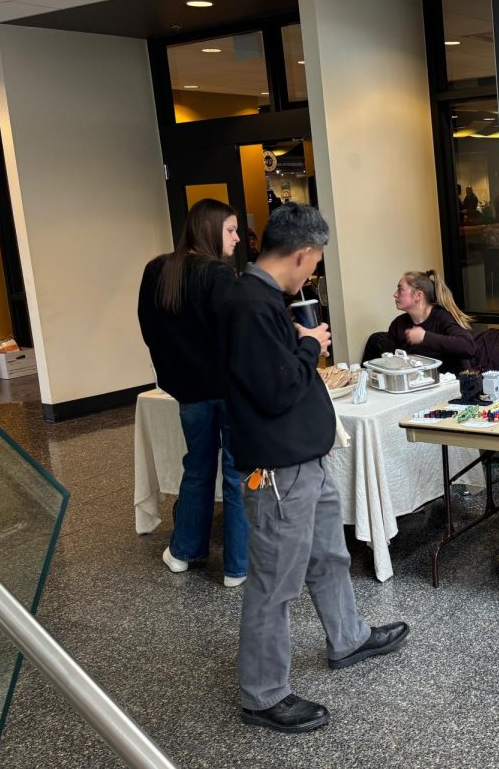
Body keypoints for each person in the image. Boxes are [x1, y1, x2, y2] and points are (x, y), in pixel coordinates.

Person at [224, 203, 409, 733]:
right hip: (279, 471)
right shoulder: (250, 306)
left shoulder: (264, 299)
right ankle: (262, 695)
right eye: (316, 262)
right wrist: (308, 347)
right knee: (275, 583)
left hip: (307, 458)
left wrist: (302, 350)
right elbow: (274, 388)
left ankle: (347, 637)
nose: (313, 272)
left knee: (329, 553)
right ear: (303, 254)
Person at [137, 199, 246, 588]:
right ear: (210, 228)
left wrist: (173, 378)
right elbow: (239, 336)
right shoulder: (219, 275)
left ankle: (184, 551)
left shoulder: (157, 271)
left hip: (188, 393)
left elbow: (150, 331)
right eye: (231, 230)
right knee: (235, 473)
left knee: (197, 469)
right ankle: (236, 567)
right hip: (230, 391)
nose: (236, 238)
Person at [363, 271, 476, 374]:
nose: (395, 294)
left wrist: (425, 337)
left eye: (400, 289)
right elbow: (388, 362)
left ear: (419, 295)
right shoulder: (398, 324)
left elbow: (468, 347)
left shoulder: (442, 318)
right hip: (413, 387)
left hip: (448, 388)